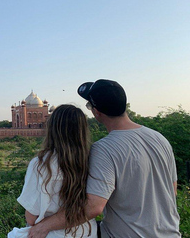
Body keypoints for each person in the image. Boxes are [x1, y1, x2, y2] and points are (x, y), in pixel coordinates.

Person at [28, 79, 180, 238]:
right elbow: (172, 190)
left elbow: (93, 206)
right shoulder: (159, 139)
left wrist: (44, 226)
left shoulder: (104, 149)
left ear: (96, 112)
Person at [8, 104, 97, 238]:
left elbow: (31, 218)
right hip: (86, 232)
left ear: (52, 129)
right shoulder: (95, 160)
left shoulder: (41, 164)